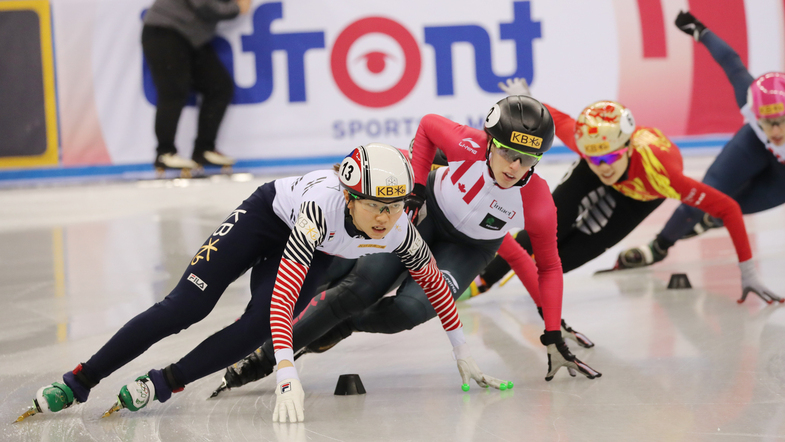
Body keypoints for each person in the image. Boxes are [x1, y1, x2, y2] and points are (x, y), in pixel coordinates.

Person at [17, 143, 507, 424]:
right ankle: (80, 381)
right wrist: (288, 371)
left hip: (321, 249)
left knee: (253, 330)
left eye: (395, 205)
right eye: (375, 205)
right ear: (349, 195)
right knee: (186, 306)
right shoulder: (321, 206)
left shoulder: (399, 227)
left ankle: (162, 384)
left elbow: (437, 288)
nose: (385, 218)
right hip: (268, 217)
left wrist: (461, 351)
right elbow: (284, 298)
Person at [208, 95, 602, 399]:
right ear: (489, 142)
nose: (515, 167)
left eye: (528, 159)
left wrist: (553, 331)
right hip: (427, 214)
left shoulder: (537, 201)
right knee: (361, 286)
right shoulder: (467, 144)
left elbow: (545, 265)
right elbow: (429, 126)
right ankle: (263, 357)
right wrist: (415, 187)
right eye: (507, 153)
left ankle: (339, 323)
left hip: (468, 250)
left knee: (408, 312)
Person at [472, 81, 778, 305]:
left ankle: (520, 280)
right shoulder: (592, 150)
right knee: (548, 223)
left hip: (640, 193)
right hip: (601, 173)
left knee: (568, 257)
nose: (603, 167)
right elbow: (562, 120)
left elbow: (728, 209)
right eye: (593, 158)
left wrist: (747, 270)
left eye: (609, 158)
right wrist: (529, 101)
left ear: (628, 147)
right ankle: (481, 280)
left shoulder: (665, 177)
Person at [615, 11, 785, 304]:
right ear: (755, 113)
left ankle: (710, 222)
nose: (776, 130)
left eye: (782, 121)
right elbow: (731, 61)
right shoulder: (748, 94)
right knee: (704, 197)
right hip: (753, 146)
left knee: (729, 212)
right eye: (768, 122)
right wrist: (700, 31)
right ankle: (657, 247)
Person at [142, 0, 249, 172]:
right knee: (173, 91)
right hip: (165, 30)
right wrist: (237, 8)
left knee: (219, 86)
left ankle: (203, 150)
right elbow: (206, 7)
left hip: (192, 38)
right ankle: (165, 152)